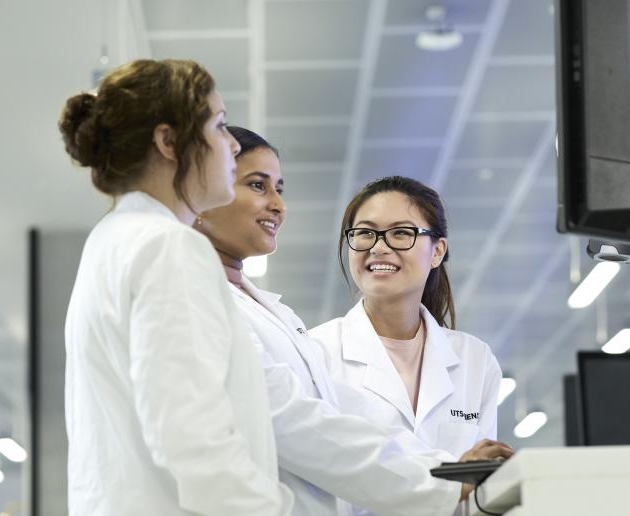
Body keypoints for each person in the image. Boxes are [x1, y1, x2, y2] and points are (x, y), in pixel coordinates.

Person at [196, 127, 512, 516]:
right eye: (258, 185)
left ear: (437, 251)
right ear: (203, 191)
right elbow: (300, 425)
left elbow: (351, 419)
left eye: (401, 233)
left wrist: (451, 473)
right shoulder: (207, 302)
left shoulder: (276, 318)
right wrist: (443, 478)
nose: (278, 205)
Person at [58, 61, 293, 516]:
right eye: (220, 126)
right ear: (168, 141)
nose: (231, 145)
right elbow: (192, 438)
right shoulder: (167, 246)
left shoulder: (112, 238)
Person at [310, 176, 503, 513]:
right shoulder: (316, 352)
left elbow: (480, 491)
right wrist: (457, 474)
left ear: (437, 251)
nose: (378, 247)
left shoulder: (475, 359)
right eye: (365, 233)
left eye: (401, 232)